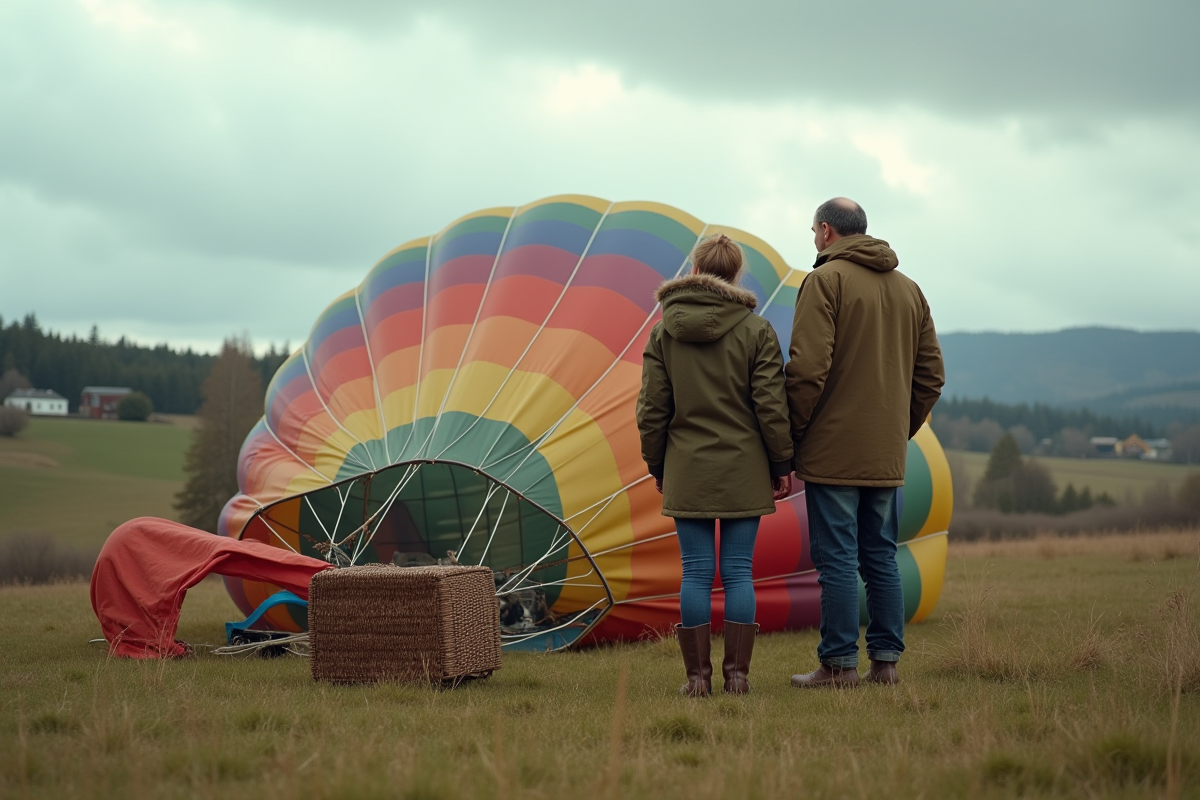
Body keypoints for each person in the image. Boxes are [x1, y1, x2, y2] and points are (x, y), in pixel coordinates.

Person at [786, 198, 944, 688]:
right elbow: (931, 377)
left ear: (827, 231)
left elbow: (808, 369)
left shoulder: (823, 281)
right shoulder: (909, 290)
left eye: (814, 231)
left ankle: (836, 665)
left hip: (832, 451)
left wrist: (792, 435)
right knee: (880, 555)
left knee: (835, 558)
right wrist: (898, 430)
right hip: (885, 453)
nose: (814, 239)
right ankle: (886, 664)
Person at [637, 233, 793, 697]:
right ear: (735, 274)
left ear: (696, 269)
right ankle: (738, 679)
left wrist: (657, 463)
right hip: (745, 467)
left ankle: (697, 680)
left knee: (697, 571)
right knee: (739, 570)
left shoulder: (663, 331)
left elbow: (652, 409)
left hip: (687, 467)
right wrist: (781, 461)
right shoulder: (756, 330)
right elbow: (771, 405)